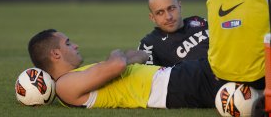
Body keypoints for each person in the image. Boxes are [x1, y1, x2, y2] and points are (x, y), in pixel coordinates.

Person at [28, 29, 223, 109]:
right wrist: (116, 54)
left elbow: (137, 56)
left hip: (177, 78)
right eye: (68, 43)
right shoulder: (64, 85)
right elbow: (119, 64)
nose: (75, 45)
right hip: (175, 86)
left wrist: (120, 60)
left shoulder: (76, 77)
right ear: (55, 54)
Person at [138, 0, 208, 66]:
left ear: (180, 7)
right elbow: (149, 76)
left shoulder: (198, 21)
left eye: (171, 8)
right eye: (160, 13)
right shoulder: (150, 43)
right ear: (152, 18)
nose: (168, 17)